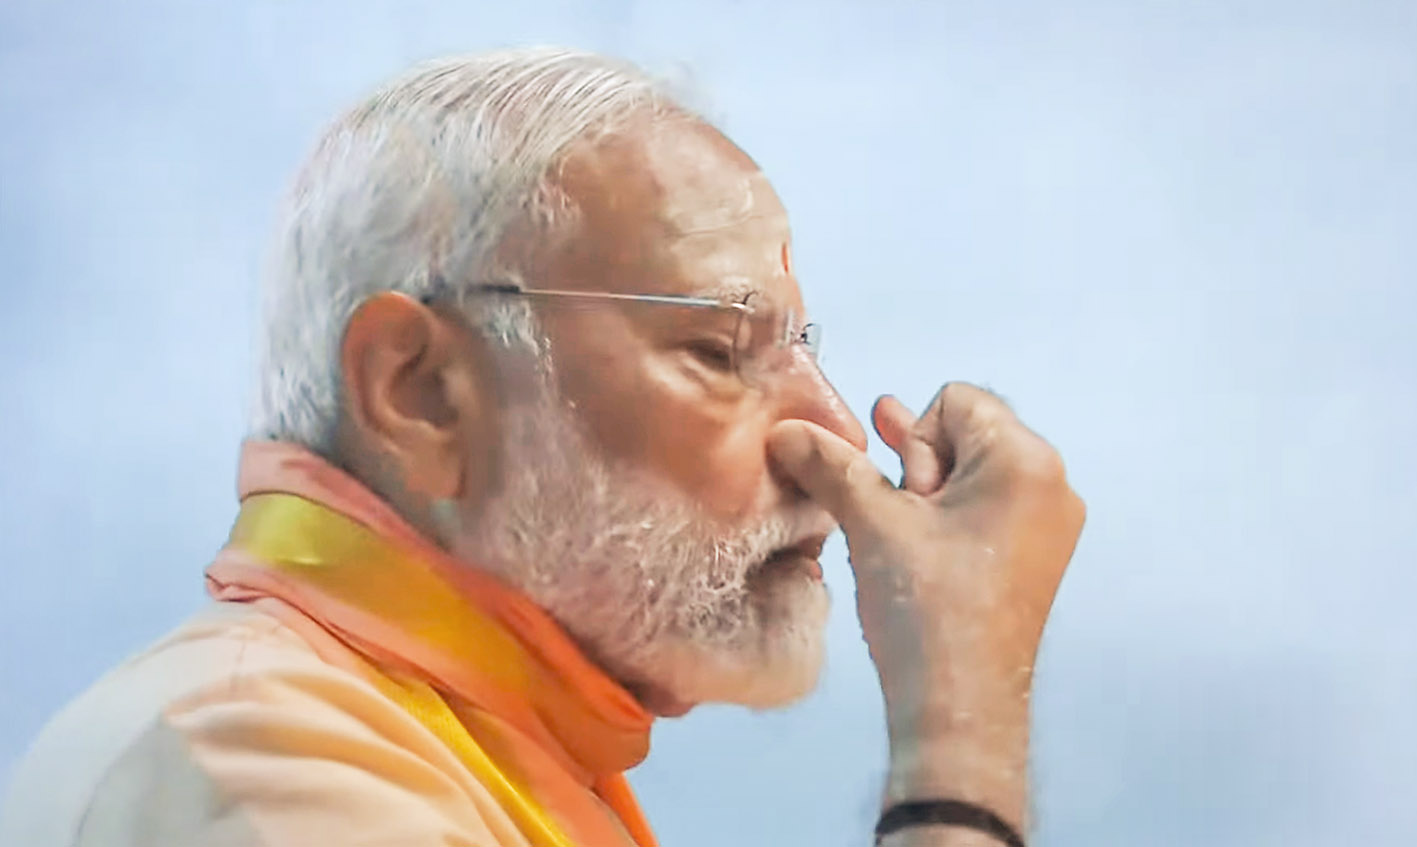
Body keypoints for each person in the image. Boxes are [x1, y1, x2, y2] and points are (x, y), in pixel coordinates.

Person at [0, 48, 1084, 847]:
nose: (832, 431)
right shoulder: (251, 762)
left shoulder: (413, 738)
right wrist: (960, 737)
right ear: (420, 390)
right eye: (718, 346)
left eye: (800, 347)